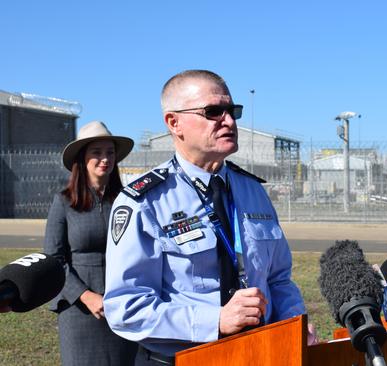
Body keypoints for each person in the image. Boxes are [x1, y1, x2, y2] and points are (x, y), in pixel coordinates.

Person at [104, 70, 315, 365]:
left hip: (259, 354)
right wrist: (213, 320)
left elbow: (278, 279)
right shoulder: (145, 202)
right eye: (213, 112)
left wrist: (294, 323)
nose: (228, 121)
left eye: (232, 111)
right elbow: (126, 307)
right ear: (174, 123)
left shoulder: (253, 191)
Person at [44, 121, 138, 366]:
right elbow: (54, 260)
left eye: (110, 152)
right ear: (82, 158)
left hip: (122, 307)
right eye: (96, 152)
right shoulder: (63, 202)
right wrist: (86, 296)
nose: (105, 159)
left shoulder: (128, 202)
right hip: (79, 311)